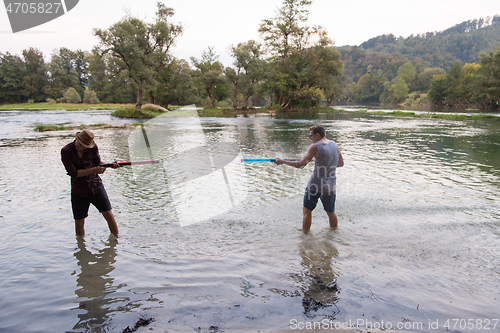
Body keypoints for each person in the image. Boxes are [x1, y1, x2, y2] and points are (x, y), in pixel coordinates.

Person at [275, 125, 344, 231]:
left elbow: (301, 165)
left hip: (315, 185)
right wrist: (324, 163)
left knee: (307, 211)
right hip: (330, 185)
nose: (310, 138)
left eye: (311, 136)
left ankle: (305, 238)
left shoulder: (315, 146)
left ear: (317, 135)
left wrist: (283, 162)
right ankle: (334, 235)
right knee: (331, 212)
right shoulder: (335, 145)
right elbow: (340, 164)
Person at [61, 129, 121, 236]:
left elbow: (98, 163)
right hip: (78, 190)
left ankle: (116, 242)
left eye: (85, 146)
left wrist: (110, 165)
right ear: (76, 138)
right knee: (79, 222)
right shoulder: (66, 151)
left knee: (109, 215)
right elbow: (74, 173)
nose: (82, 147)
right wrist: (94, 170)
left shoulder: (93, 147)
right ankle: (81, 248)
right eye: (80, 145)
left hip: (96, 186)